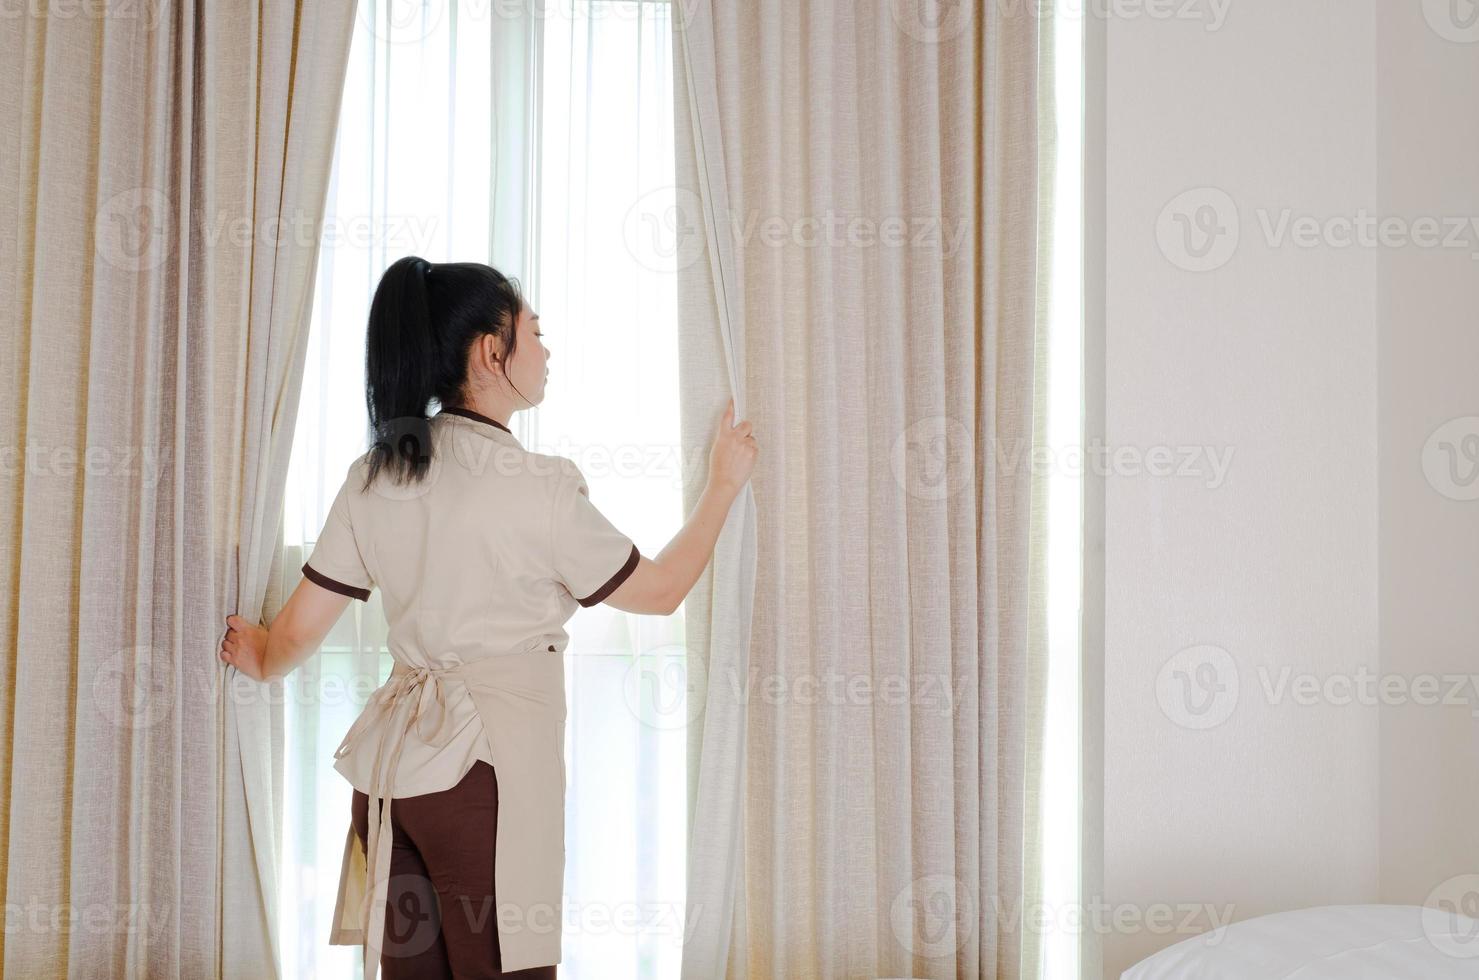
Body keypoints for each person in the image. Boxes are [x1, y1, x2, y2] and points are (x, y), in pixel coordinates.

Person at [218, 256, 757, 980]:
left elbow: (286, 641)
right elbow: (658, 592)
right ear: (489, 350)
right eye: (534, 331)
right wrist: (722, 488)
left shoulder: (375, 476)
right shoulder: (536, 487)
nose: (546, 349)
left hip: (388, 784)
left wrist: (253, 652)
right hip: (482, 782)